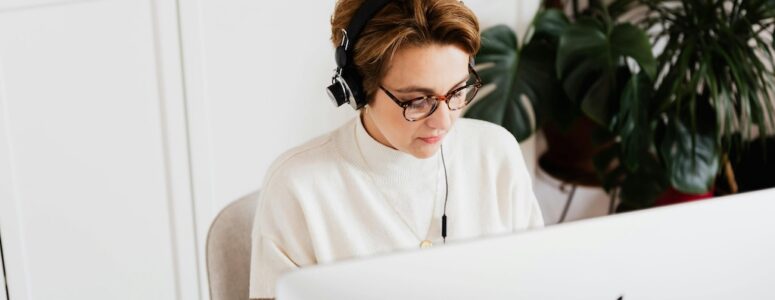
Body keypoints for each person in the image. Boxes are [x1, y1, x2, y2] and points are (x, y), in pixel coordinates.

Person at [249, 0, 544, 298]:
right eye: (417, 100)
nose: (443, 121)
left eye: (457, 91)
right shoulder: (299, 187)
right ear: (359, 89)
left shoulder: (496, 154)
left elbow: (538, 285)